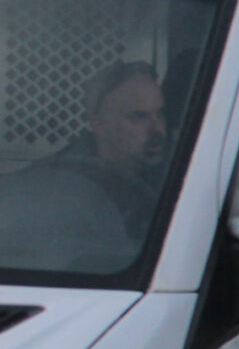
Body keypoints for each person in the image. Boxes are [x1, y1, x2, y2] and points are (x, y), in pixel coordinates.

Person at [0, 60, 170, 272]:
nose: (157, 129)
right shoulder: (63, 194)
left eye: (161, 113)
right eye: (138, 117)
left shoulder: (171, 173)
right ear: (99, 125)